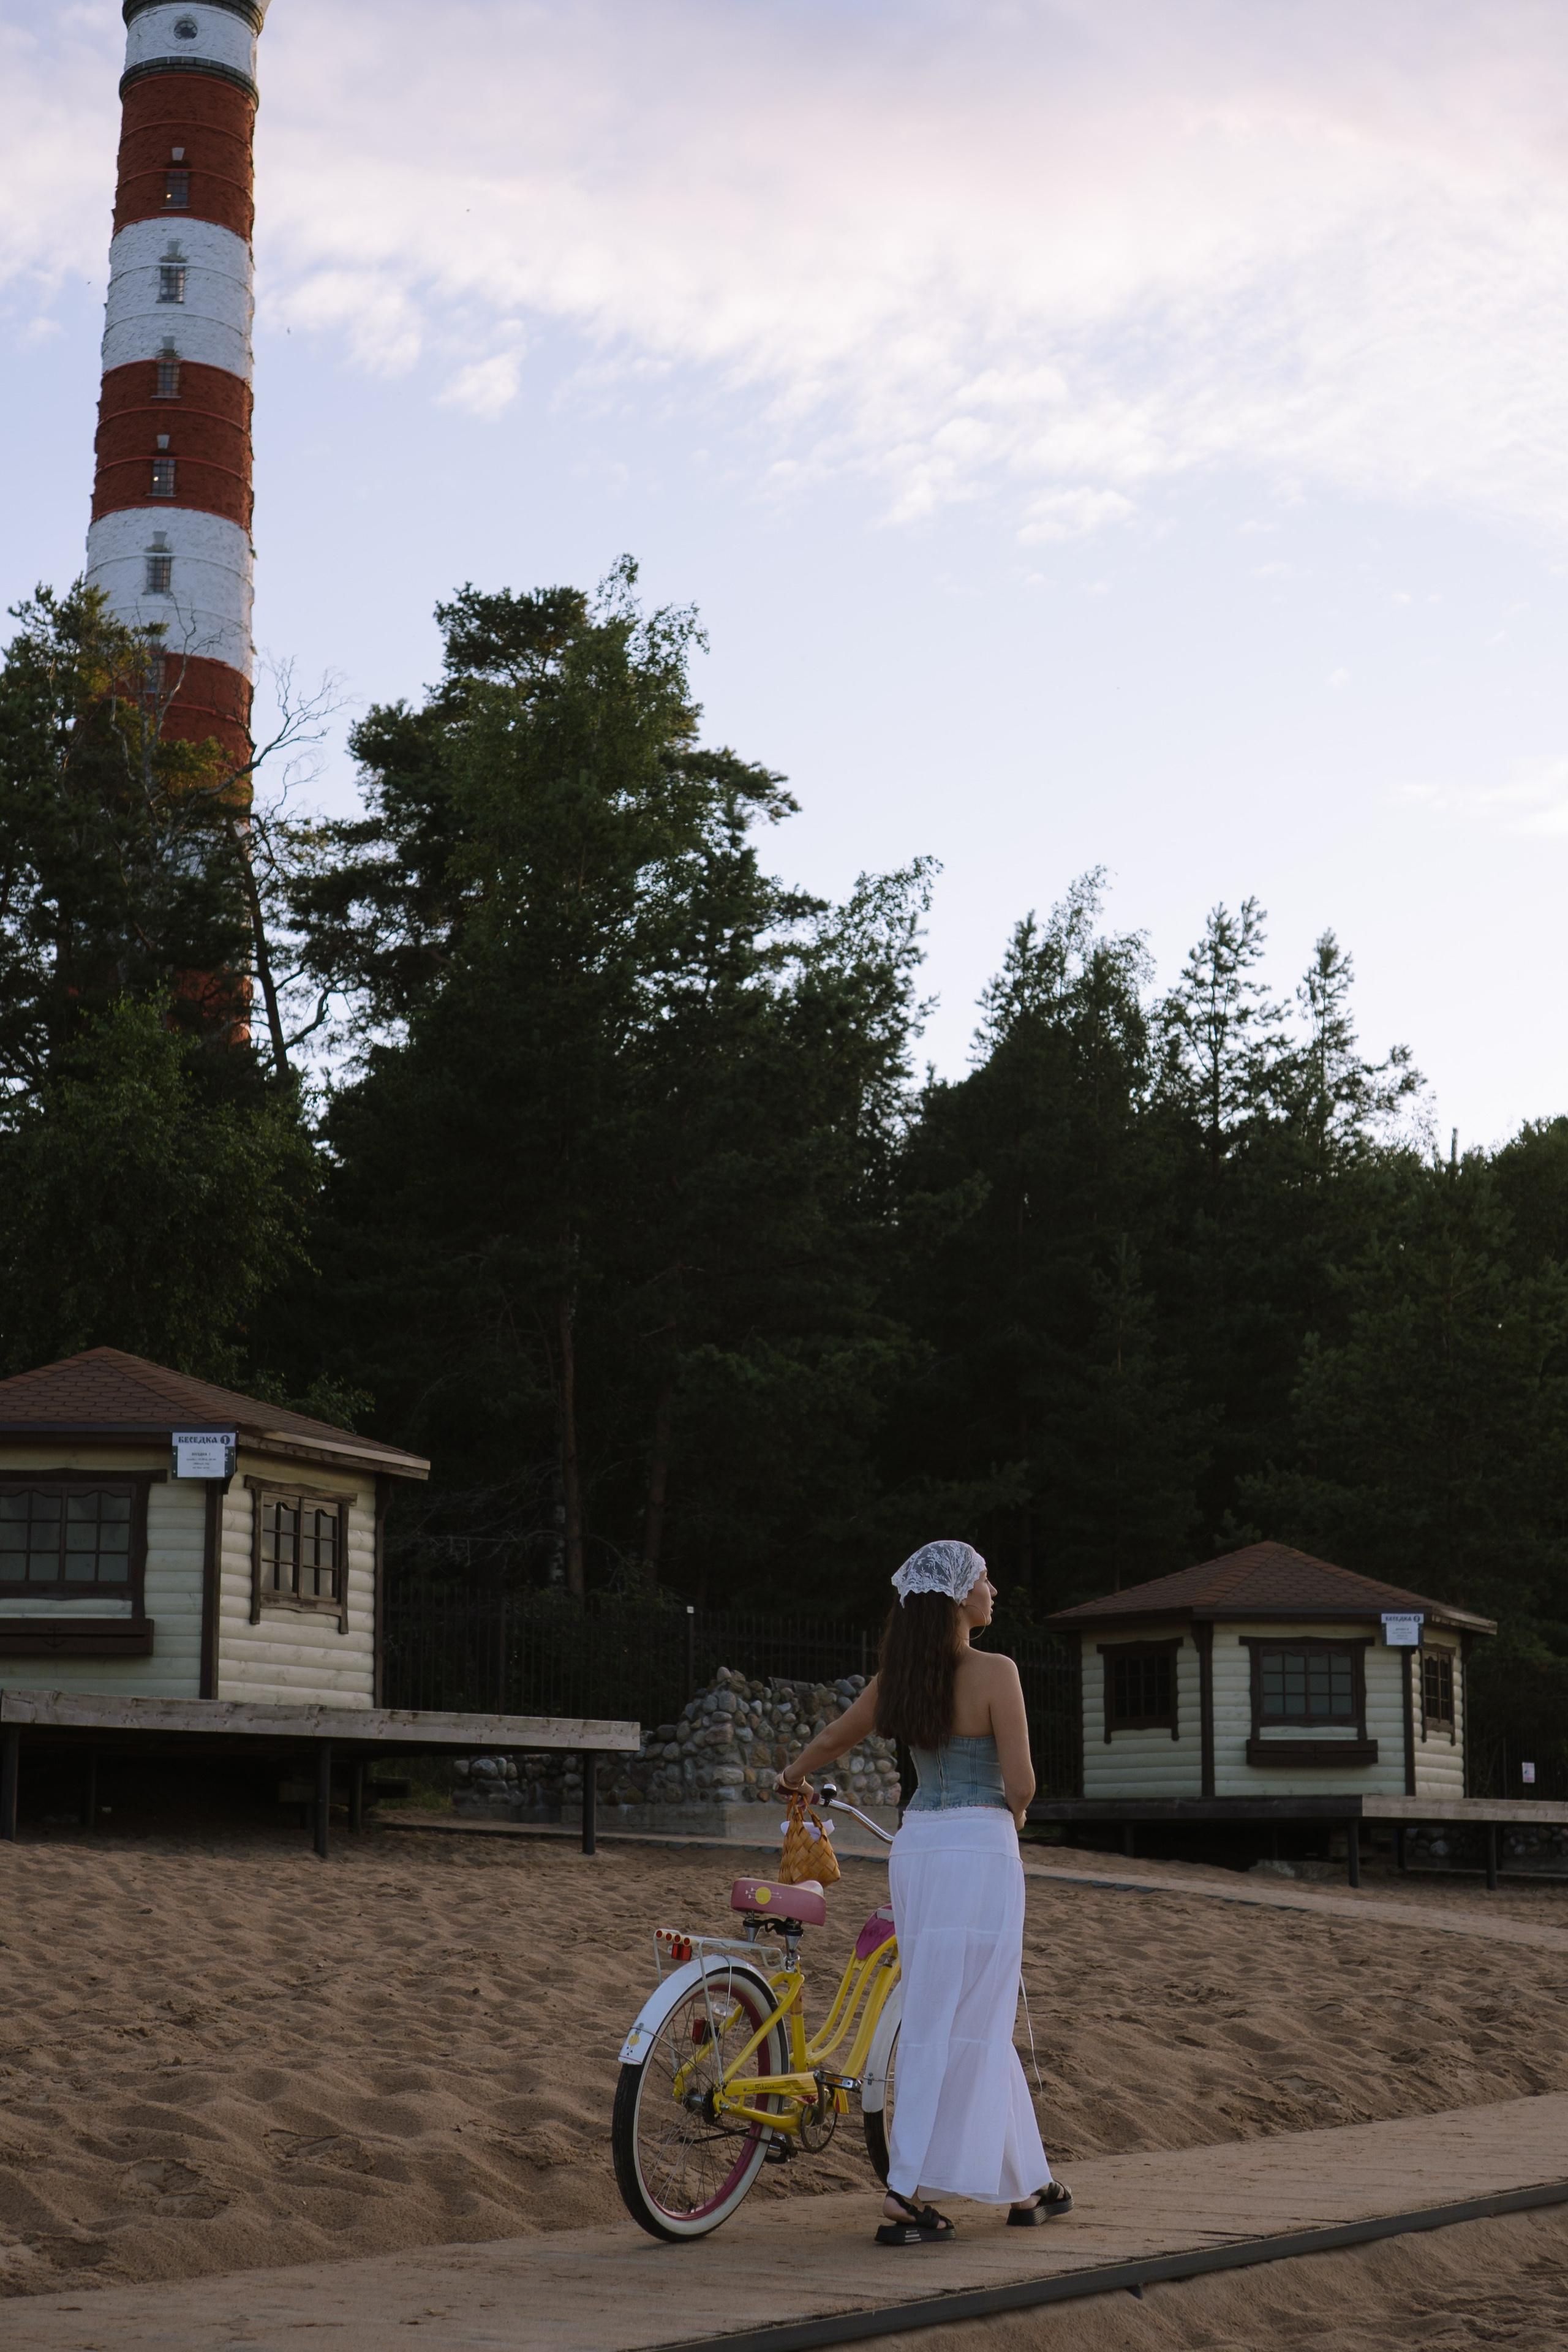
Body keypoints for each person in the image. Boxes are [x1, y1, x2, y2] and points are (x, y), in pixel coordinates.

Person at [774, 1540, 1071, 2244]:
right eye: (985, 1580)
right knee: (974, 2015)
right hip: (980, 1847)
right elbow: (1022, 1783)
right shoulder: (996, 1672)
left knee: (945, 2011)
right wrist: (1016, 1817)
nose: (993, 1591)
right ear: (958, 1597)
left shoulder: (898, 1678)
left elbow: (830, 1742)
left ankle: (1028, 2184)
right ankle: (905, 2191)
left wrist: (791, 1778)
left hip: (919, 1851)